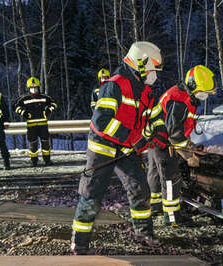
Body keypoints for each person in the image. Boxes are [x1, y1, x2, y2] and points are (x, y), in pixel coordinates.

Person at [71, 41, 168, 255]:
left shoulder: (146, 92)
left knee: (140, 189)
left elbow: (155, 116)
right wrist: (131, 138)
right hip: (103, 148)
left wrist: (160, 132)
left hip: (126, 150)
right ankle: (80, 241)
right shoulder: (114, 85)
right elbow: (102, 120)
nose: (155, 76)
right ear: (140, 65)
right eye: (153, 70)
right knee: (92, 194)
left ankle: (143, 233)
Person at [147, 65, 217, 226]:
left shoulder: (183, 95)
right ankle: (172, 218)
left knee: (155, 174)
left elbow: (179, 127)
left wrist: (189, 144)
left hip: (156, 139)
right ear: (193, 85)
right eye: (203, 93)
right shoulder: (179, 99)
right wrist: (189, 156)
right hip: (165, 142)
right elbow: (174, 133)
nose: (204, 96)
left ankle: (156, 205)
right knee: (171, 178)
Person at [13, 77, 57, 167]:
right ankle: (34, 161)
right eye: (32, 88)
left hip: (43, 125)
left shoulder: (45, 97)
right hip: (31, 125)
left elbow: (54, 103)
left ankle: (47, 160)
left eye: (35, 87)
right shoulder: (24, 99)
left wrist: (49, 110)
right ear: (28, 88)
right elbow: (15, 107)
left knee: (45, 143)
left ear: (39, 87)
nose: (34, 89)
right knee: (33, 144)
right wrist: (23, 112)